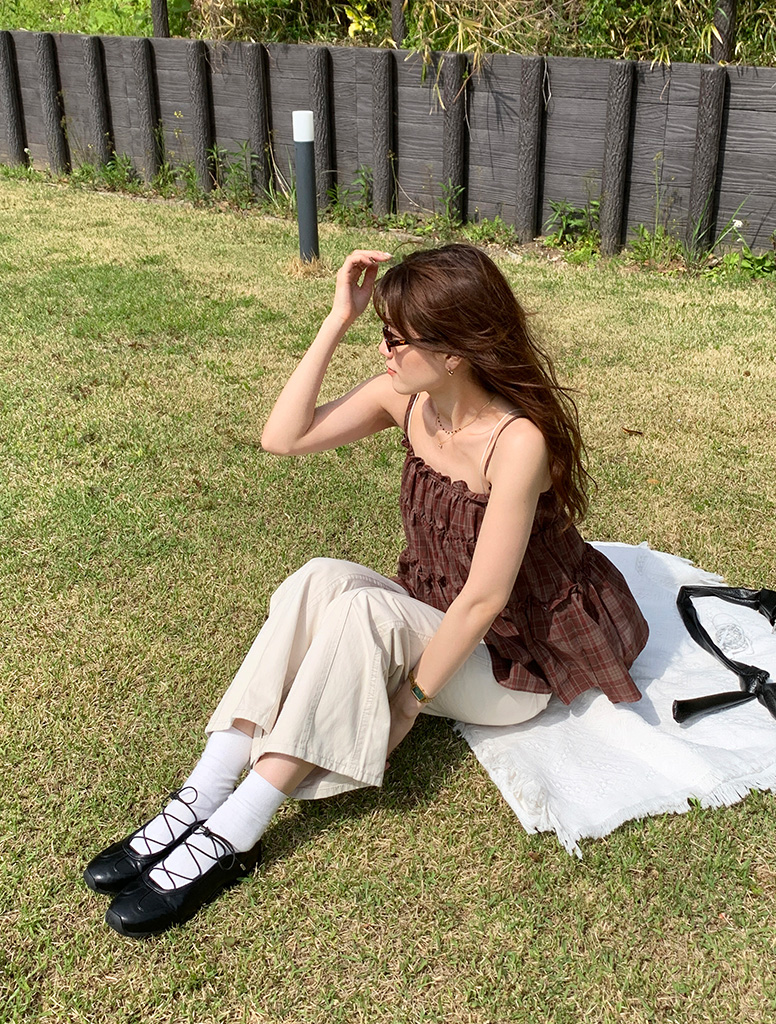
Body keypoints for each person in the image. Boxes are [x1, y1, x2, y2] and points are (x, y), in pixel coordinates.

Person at [84, 244, 649, 938]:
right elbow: (282, 438)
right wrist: (337, 319)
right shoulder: (408, 401)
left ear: (455, 353)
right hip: (437, 613)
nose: (384, 350)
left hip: (516, 662)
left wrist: (408, 706)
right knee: (318, 577)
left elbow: (484, 600)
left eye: (396, 338)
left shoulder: (516, 441)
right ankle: (206, 787)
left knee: (362, 608)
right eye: (382, 331)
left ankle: (236, 831)